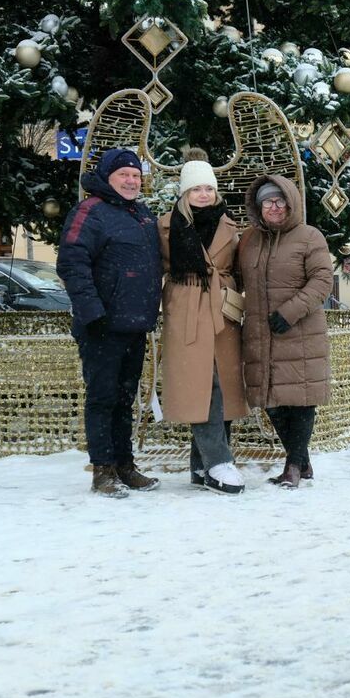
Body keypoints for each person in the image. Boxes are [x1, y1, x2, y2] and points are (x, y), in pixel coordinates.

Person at [57, 148, 163, 498]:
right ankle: (102, 470)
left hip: (134, 325)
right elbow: (73, 263)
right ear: (108, 177)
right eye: (124, 175)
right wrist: (92, 313)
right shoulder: (90, 212)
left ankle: (124, 465)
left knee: (124, 398)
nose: (132, 181)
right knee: (102, 398)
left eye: (136, 175)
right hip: (102, 326)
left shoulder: (141, 215)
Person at [157, 152, 249, 494]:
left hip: (222, 308)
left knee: (222, 383)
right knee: (200, 383)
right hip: (186, 306)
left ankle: (201, 464)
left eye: (207, 189)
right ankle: (218, 461)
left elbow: (240, 267)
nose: (202, 195)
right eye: (195, 189)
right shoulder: (166, 225)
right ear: (184, 193)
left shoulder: (229, 225)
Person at [237, 174, 333, 489]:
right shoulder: (249, 240)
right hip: (260, 333)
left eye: (280, 201)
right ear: (259, 206)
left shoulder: (309, 236)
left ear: (290, 203)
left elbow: (322, 281)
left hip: (300, 331)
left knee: (301, 399)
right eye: (268, 202)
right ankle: (302, 462)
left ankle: (293, 465)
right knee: (272, 400)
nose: (275, 207)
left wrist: (289, 312)